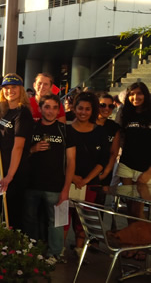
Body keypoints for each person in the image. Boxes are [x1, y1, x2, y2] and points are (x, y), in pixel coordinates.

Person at [23, 94, 76, 263]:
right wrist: (33, 149)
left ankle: (54, 254)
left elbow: (71, 161)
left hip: (56, 186)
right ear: (40, 109)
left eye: (55, 107)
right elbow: (20, 153)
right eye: (47, 107)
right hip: (31, 184)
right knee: (30, 219)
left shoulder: (66, 130)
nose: (51, 111)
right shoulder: (31, 128)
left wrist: (66, 188)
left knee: (57, 222)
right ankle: (32, 250)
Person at [66, 91, 109, 257]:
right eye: (80, 108)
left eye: (87, 109)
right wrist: (72, 177)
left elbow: (103, 160)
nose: (83, 112)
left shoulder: (100, 132)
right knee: (64, 218)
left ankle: (79, 248)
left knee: (82, 219)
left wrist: (86, 180)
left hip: (90, 183)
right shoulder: (66, 130)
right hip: (67, 181)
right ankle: (59, 250)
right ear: (74, 109)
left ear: (92, 111)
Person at [0, 74, 34, 230]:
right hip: (4, 170)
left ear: (21, 90)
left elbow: (18, 146)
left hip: (15, 174)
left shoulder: (22, 113)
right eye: (6, 88)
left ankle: (16, 250)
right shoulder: (6, 112)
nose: (9, 91)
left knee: (14, 217)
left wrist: (10, 175)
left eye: (14, 87)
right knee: (5, 215)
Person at [117, 83, 151, 220]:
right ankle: (132, 238)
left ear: (146, 95)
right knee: (130, 207)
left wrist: (149, 172)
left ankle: (142, 239)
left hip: (146, 167)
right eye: (132, 94)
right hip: (126, 165)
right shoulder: (124, 112)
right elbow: (119, 135)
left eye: (139, 93)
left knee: (139, 208)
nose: (135, 97)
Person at [95, 93, 121, 205]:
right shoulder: (87, 123)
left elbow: (114, 153)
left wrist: (105, 173)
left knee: (98, 208)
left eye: (110, 106)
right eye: (103, 105)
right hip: (85, 171)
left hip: (104, 174)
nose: (106, 109)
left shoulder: (114, 127)